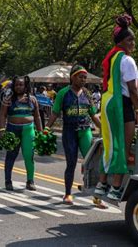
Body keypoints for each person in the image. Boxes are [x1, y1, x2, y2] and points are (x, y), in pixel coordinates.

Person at [97, 14, 138, 201]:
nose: (133, 43)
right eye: (130, 39)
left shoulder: (112, 57)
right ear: (121, 42)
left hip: (108, 102)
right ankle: (116, 187)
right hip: (122, 105)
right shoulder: (127, 60)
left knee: (109, 143)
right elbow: (133, 90)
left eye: (134, 39)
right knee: (123, 146)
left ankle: (101, 184)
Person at [46, 65, 101, 205]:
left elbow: (93, 115)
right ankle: (68, 194)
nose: (83, 80)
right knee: (71, 163)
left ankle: (96, 195)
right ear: (73, 77)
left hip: (85, 131)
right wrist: (46, 128)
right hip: (69, 132)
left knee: (92, 163)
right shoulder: (63, 93)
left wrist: (105, 129)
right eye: (80, 77)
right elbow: (55, 113)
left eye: (85, 78)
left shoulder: (87, 94)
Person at [0, 76, 42, 191]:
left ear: (25, 86)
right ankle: (8, 181)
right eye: (16, 84)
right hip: (12, 130)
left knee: (29, 156)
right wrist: (2, 130)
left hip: (28, 131)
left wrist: (41, 132)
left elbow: (37, 116)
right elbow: (2, 115)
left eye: (21, 85)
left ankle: (30, 181)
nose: (18, 87)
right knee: (11, 156)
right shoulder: (8, 99)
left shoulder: (32, 99)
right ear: (13, 86)